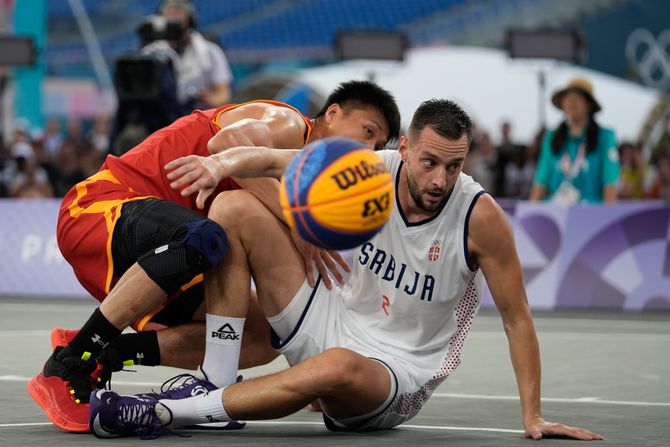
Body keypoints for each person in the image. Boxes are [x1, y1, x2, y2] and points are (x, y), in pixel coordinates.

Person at [90, 99, 603, 441]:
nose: (442, 178)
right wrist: (221, 166)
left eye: (455, 166)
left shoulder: (479, 218)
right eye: (430, 162)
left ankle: (163, 411)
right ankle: (215, 379)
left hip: (394, 371)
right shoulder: (368, 171)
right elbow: (270, 160)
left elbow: (517, 318)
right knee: (233, 211)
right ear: (403, 149)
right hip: (328, 314)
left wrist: (532, 415)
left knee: (337, 366)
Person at [27, 80, 401, 433]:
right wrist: (297, 223)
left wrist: (316, 378)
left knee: (260, 334)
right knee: (206, 236)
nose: (367, 149)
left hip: (169, 253)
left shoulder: (312, 186)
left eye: (377, 143)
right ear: (332, 114)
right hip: (102, 208)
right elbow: (228, 143)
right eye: (367, 131)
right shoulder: (289, 124)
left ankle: (107, 352)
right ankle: (66, 364)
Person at [529, 77, 620, 204]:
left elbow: (610, 181)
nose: (571, 101)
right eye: (567, 97)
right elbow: (541, 179)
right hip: (556, 213)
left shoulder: (605, 137)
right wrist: (532, 214)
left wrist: (608, 215)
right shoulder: (552, 137)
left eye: (578, 97)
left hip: (591, 215)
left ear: (589, 104)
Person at [158, 0, 233, 109]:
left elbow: (223, 94)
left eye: (178, 13)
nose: (173, 18)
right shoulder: (153, 54)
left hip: (197, 113)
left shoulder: (210, 51)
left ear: (190, 19)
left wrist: (209, 100)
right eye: (169, 13)